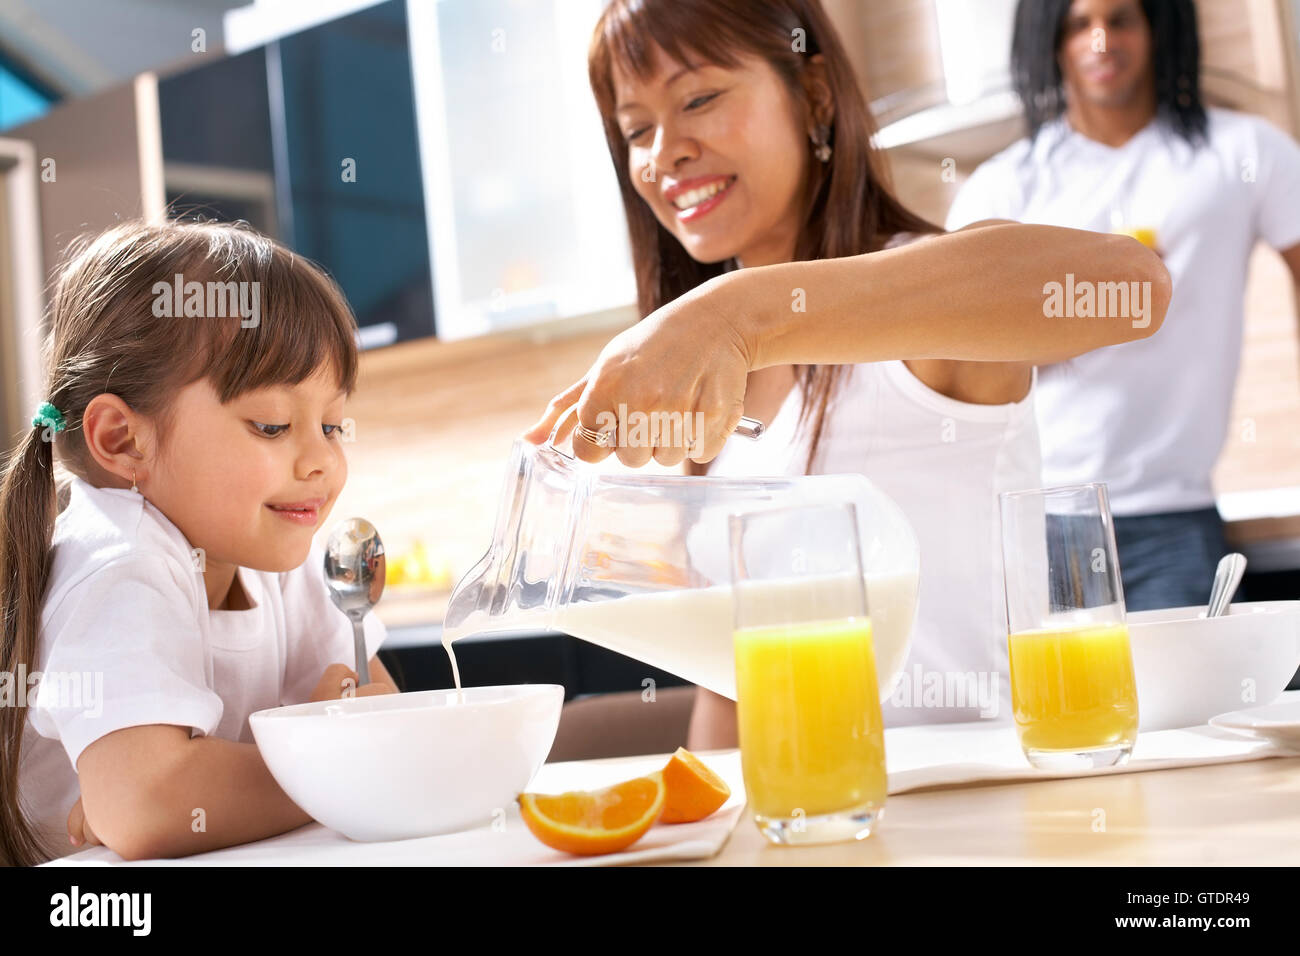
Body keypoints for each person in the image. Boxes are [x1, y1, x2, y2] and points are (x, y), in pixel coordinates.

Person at [523, 0, 1171, 749]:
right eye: (636, 129)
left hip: (980, 818)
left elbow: (1134, 286)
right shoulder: (717, 396)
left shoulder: (922, 314)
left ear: (816, 95)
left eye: (699, 98)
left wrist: (737, 313)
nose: (663, 152)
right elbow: (736, 689)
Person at [0, 220, 398, 867]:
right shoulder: (120, 561)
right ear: (125, 441)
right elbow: (148, 803)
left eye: (331, 424)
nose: (322, 459)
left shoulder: (275, 552)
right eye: (272, 425)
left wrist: (350, 739)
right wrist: (331, 761)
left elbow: (379, 723)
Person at [946, 0, 1300, 610]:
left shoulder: (1245, 152)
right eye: (1079, 24)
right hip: (1042, 519)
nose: (1101, 39)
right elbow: (954, 354)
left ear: (1159, 30)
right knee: (1063, 705)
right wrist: (1077, 319)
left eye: (1122, 19)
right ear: (1050, 42)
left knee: (1187, 706)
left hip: (1175, 515)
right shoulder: (1003, 186)